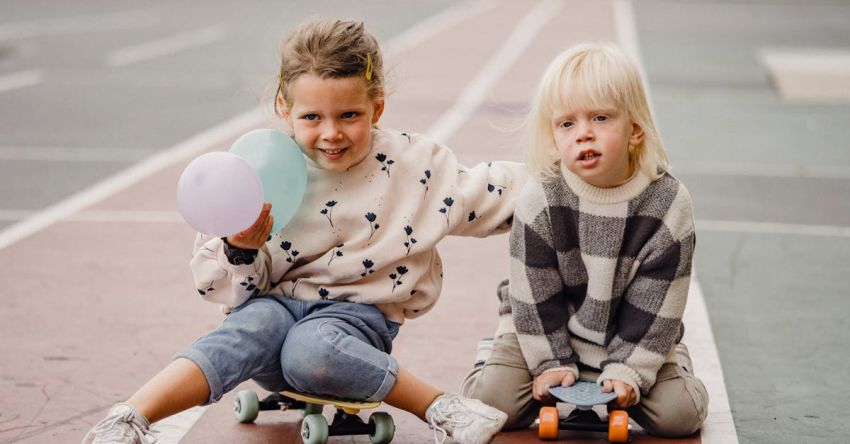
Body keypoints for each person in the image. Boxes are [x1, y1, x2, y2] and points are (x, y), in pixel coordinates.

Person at [82, 18, 526, 444]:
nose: (331, 133)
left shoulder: (415, 167)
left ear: (378, 106)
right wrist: (240, 249)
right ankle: (129, 418)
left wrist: (578, 174)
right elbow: (220, 286)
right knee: (248, 327)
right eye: (312, 118)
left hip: (355, 322)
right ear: (284, 108)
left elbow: (490, 190)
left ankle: (443, 409)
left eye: (349, 115)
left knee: (310, 347)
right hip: (274, 317)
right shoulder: (258, 170)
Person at [461, 43, 708, 438]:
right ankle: (492, 358)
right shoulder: (540, 197)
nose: (584, 134)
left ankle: (673, 359)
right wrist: (549, 363)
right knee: (493, 404)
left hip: (632, 330)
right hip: (541, 324)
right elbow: (533, 292)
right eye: (567, 124)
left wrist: (630, 370)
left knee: (681, 417)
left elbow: (660, 300)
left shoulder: (668, 204)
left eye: (600, 117)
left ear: (635, 129)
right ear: (553, 134)